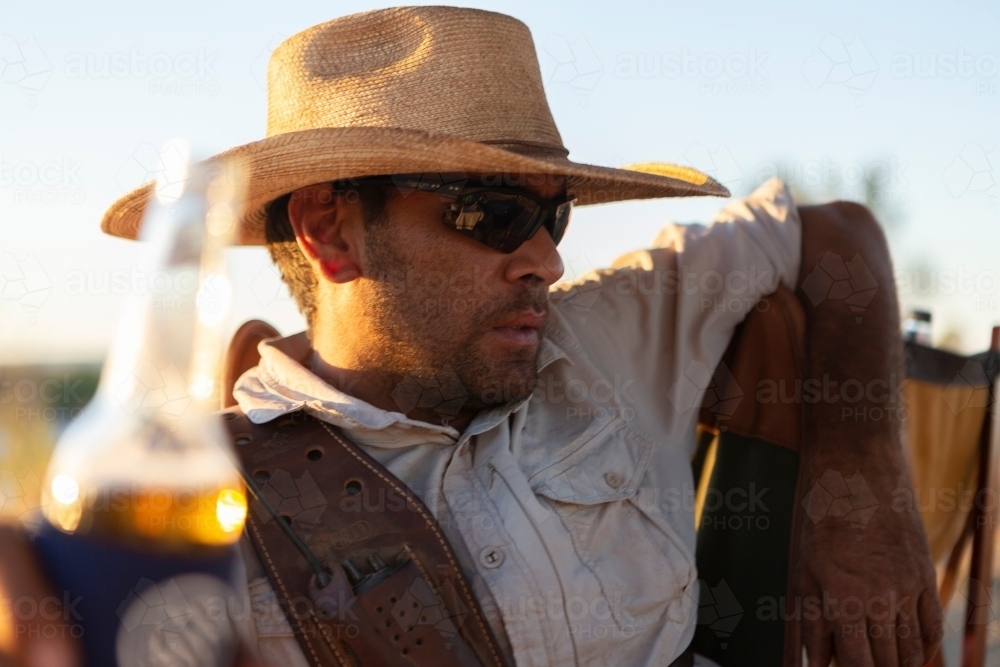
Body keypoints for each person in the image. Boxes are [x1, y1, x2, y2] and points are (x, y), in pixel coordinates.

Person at [0, 6, 941, 667]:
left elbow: (835, 233)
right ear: (329, 228)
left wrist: (863, 483)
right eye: (490, 213)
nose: (546, 260)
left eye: (554, 215)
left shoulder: (600, 336)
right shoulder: (210, 509)